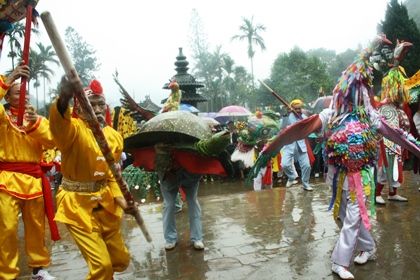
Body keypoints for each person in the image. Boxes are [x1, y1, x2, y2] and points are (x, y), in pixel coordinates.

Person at [49, 77, 132, 279]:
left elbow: (113, 174)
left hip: (106, 203)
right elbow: (59, 124)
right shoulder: (73, 130)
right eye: (90, 104)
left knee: (119, 260)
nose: (97, 109)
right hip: (76, 206)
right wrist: (64, 99)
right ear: (78, 109)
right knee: (102, 266)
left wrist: (119, 197)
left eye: (100, 104)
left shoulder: (114, 136)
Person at [0, 62, 57, 280]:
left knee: (36, 228)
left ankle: (38, 269)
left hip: (34, 180)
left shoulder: (38, 120)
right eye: (17, 92)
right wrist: (8, 78)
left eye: (26, 93)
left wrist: (35, 124)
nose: (23, 96)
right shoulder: (3, 119)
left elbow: (52, 141)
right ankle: (6, 273)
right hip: (7, 179)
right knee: (6, 228)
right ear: (7, 96)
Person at [280, 99, 313, 191]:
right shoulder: (288, 116)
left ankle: (305, 183)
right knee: (284, 165)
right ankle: (291, 177)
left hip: (301, 145)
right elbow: (282, 126)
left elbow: (308, 129)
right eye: (296, 108)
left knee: (307, 166)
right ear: (292, 108)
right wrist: (286, 114)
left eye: (299, 108)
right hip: (288, 145)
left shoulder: (304, 117)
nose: (298, 110)